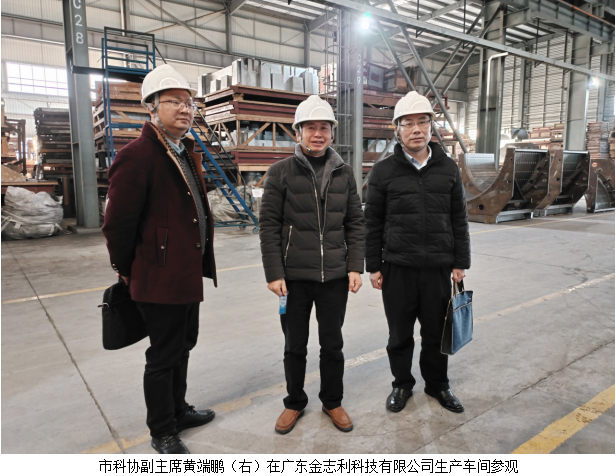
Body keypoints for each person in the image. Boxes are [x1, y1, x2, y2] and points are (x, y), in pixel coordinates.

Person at [102, 64, 217, 454]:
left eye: (189, 103)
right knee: (164, 355)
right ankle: (162, 430)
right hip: (159, 275)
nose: (185, 109)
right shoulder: (138, 156)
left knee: (183, 345)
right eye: (174, 102)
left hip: (186, 272)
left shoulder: (182, 151)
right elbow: (117, 224)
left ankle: (178, 410)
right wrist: (126, 270)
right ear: (151, 107)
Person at [259, 95, 364, 434]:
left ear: (332, 133)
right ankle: (294, 402)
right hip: (293, 279)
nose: (318, 134)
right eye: (310, 128)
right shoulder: (280, 173)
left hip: (334, 276)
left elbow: (355, 222)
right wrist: (274, 273)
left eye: (324, 128)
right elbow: (268, 226)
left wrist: (354, 266)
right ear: (298, 132)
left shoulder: (345, 173)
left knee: (332, 344)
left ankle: (332, 401)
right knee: (295, 345)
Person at [364, 91, 471, 414]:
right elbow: (373, 222)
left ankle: (438, 385)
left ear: (430, 126)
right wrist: (374, 266)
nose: (416, 129)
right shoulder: (383, 171)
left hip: (438, 266)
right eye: (408, 123)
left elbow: (459, 218)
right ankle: (401, 384)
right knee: (399, 334)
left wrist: (460, 261)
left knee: (436, 332)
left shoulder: (448, 168)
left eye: (422, 122)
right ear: (397, 129)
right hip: (397, 266)